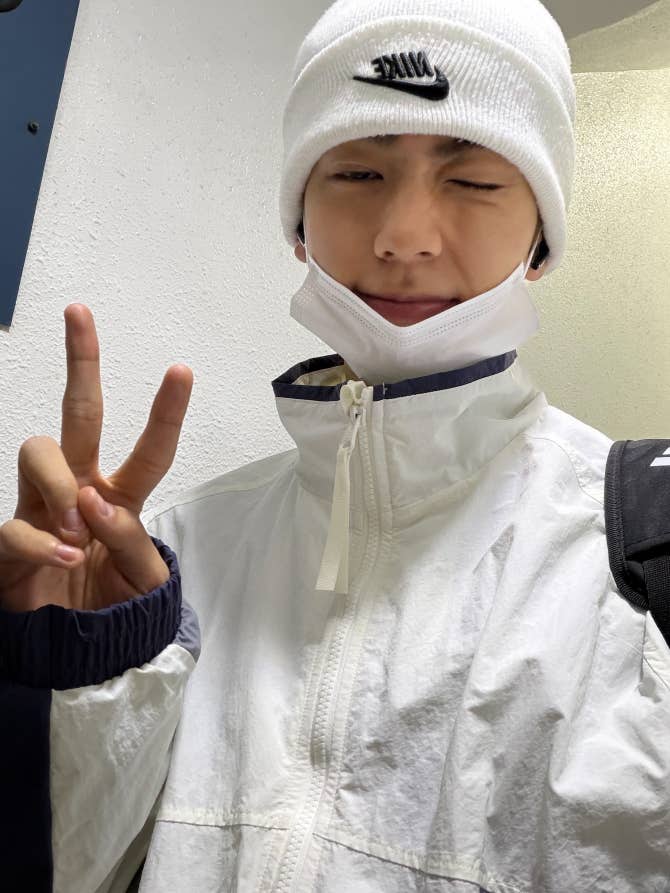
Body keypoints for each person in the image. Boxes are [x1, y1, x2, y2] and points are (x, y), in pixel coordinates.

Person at [1, 0, 669, 891]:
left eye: (473, 180)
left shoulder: (643, 557)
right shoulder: (171, 561)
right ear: (299, 226)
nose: (404, 237)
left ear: (542, 238)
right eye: (357, 172)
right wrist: (66, 664)